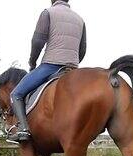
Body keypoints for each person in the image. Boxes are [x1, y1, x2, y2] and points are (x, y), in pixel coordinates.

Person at [7, 0, 87, 143]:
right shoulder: (80, 19)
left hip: (51, 65)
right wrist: (72, 64)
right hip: (73, 68)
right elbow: (82, 49)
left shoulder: (48, 13)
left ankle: (24, 130)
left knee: (16, 94)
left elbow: (37, 41)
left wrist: (32, 62)